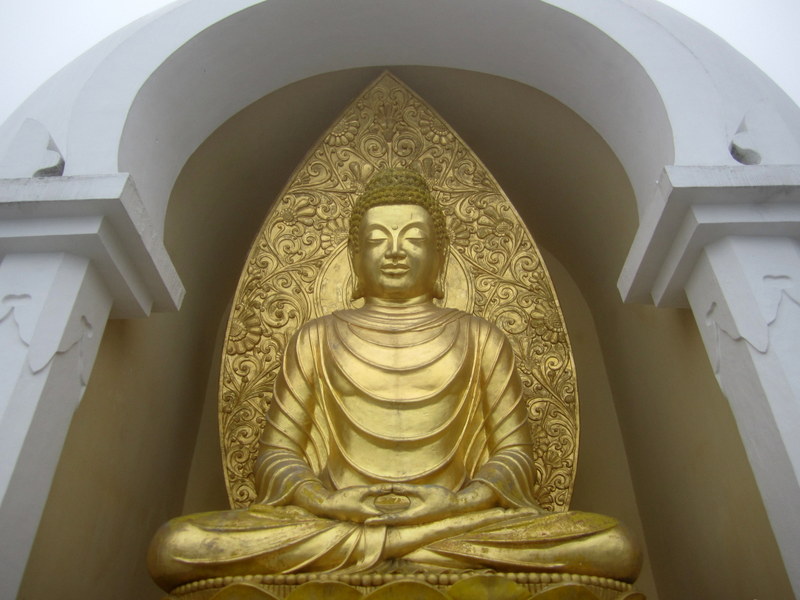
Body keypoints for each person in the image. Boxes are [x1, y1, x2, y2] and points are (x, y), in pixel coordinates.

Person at [148, 168, 641, 592]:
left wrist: (458, 500)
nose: (396, 251)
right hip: (335, 525)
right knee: (177, 546)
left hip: (455, 522)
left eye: (414, 238)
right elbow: (277, 456)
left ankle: (402, 550)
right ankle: (401, 551)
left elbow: (514, 456)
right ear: (354, 257)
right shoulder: (315, 338)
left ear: (441, 256)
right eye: (378, 239)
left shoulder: (481, 336)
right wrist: (325, 499)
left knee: (612, 545)